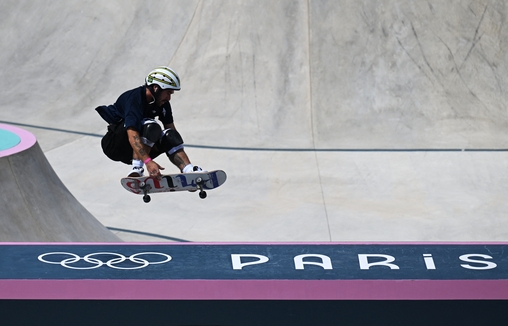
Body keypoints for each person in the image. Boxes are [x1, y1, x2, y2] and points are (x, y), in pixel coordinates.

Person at [96, 66, 203, 179]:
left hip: (135, 149)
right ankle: (137, 169)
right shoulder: (135, 99)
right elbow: (132, 134)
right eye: (168, 93)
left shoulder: (163, 104)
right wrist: (148, 161)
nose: (169, 98)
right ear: (156, 88)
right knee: (151, 125)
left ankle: (188, 170)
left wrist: (177, 150)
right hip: (115, 145)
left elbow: (172, 131)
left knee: (170, 134)